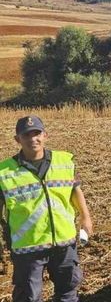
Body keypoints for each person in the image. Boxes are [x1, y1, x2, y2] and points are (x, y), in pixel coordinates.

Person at [0, 115, 93, 302]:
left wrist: (85, 217)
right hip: (28, 246)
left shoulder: (64, 161)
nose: (33, 139)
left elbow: (75, 190)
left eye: (37, 133)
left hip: (64, 242)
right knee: (29, 297)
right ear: (18, 139)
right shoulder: (5, 172)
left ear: (45, 135)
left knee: (68, 292)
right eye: (27, 135)